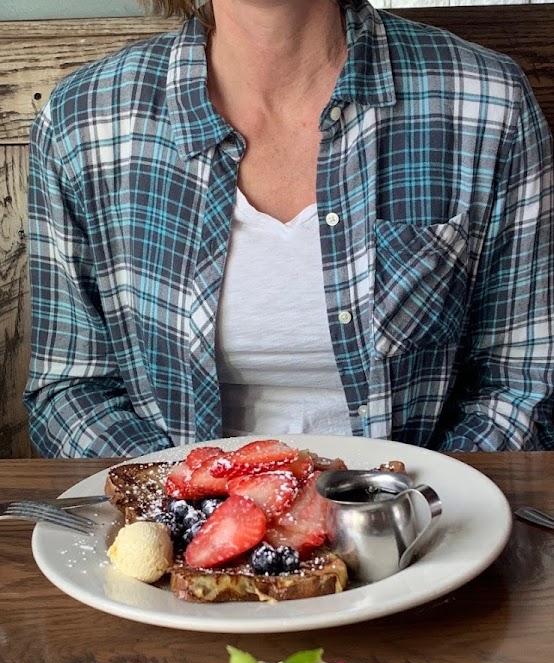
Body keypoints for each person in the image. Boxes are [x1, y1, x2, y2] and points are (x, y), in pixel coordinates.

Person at [23, 0, 554, 456]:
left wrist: (416, 510)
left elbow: (523, 382)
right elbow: (71, 388)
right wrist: (186, 506)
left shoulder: (487, 103)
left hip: (419, 533)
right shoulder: (83, 123)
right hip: (177, 541)